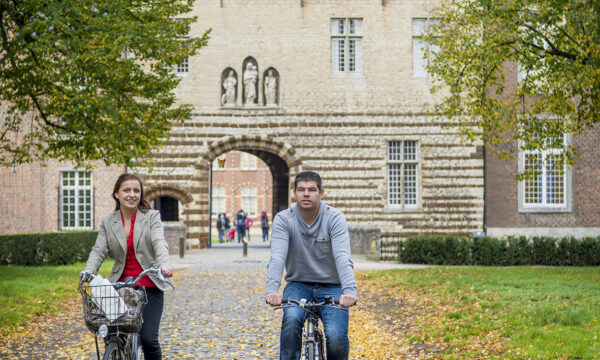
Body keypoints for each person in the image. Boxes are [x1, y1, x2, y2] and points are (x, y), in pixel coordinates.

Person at [264, 171, 357, 360]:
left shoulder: (334, 218)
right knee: (290, 322)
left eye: (312, 190)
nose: (306, 194)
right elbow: (277, 256)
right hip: (298, 285)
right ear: (295, 193)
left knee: (337, 337)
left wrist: (349, 291)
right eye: (301, 190)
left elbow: (342, 256)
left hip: (332, 286)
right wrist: (271, 290)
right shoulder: (284, 219)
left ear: (321, 193)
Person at [82, 173, 174, 360]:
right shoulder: (108, 221)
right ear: (117, 194)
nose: (132, 194)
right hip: (120, 286)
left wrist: (164, 264)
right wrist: (89, 270)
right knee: (110, 334)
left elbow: (159, 242)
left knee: (148, 339)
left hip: (149, 283)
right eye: (126, 190)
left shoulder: (151, 217)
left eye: (136, 191)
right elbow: (99, 250)